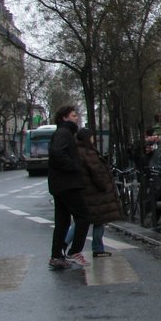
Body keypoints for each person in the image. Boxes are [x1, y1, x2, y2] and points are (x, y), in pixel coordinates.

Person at [65, 128, 123, 257]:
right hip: (95, 193)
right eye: (91, 137)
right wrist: (104, 186)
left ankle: (65, 244)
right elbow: (96, 173)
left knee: (82, 221)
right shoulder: (88, 152)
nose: (93, 139)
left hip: (84, 191)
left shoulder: (75, 151)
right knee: (98, 221)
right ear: (87, 138)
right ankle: (97, 248)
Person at [47, 106, 92, 269]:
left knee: (62, 221)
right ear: (64, 118)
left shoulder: (63, 133)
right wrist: (74, 166)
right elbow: (57, 154)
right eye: (74, 115)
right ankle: (75, 251)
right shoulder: (64, 134)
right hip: (68, 184)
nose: (76, 118)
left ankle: (56, 256)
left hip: (60, 184)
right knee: (84, 216)